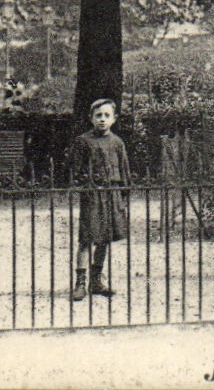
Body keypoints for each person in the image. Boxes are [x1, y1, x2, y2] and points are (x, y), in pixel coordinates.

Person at [70, 98, 131, 301]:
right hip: (92, 194)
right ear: (91, 118)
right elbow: (74, 169)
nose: (102, 120)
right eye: (98, 116)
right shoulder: (83, 141)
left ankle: (96, 280)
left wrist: (124, 194)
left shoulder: (117, 143)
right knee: (87, 238)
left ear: (114, 119)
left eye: (106, 115)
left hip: (112, 193)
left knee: (105, 238)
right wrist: (83, 184)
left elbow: (124, 170)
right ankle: (80, 282)